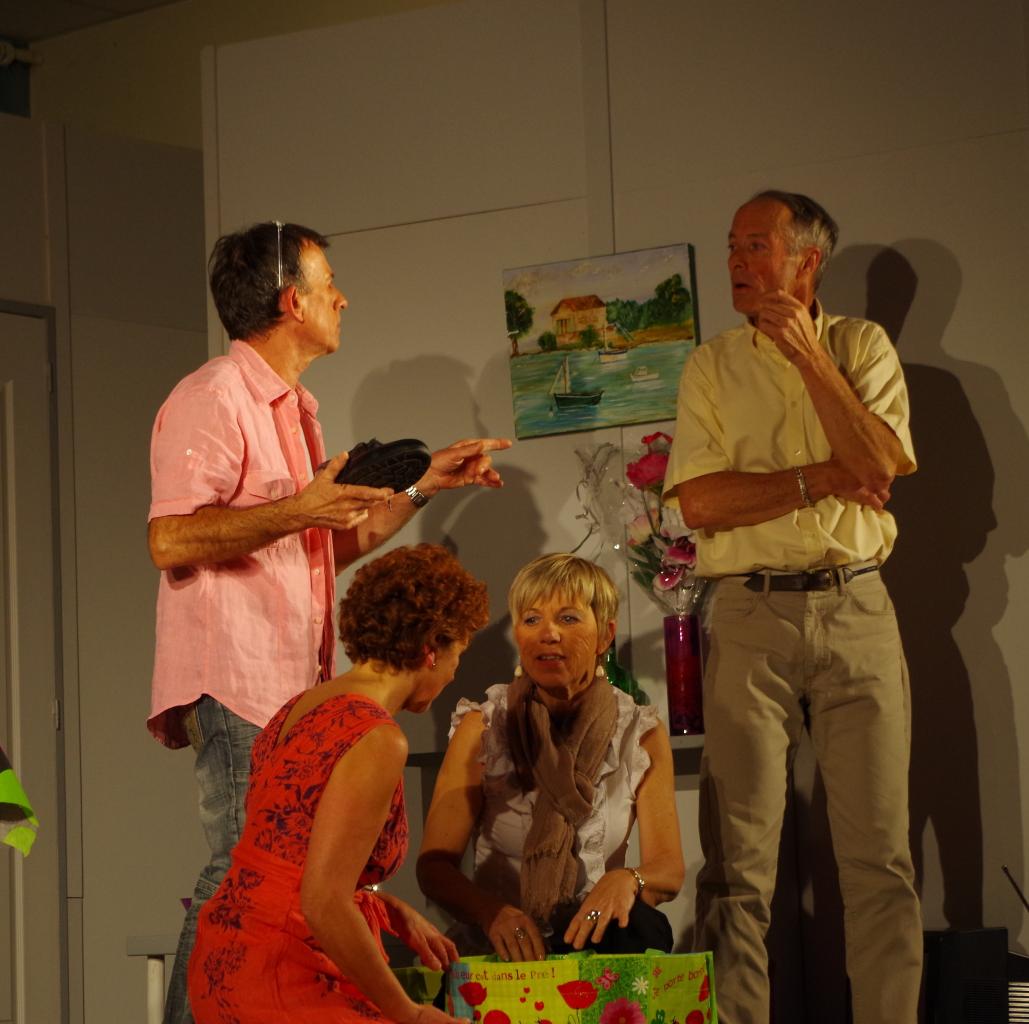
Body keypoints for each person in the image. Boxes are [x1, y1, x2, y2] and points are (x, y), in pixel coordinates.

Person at [148, 220, 510, 1024]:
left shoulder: (294, 409)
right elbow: (169, 539)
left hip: (290, 688)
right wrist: (299, 508)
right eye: (329, 284)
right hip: (237, 678)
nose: (342, 299)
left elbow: (321, 545)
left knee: (274, 876)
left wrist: (422, 485)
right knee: (238, 873)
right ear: (291, 301)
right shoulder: (213, 397)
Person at [662, 190, 921, 1023]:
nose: (735, 263)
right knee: (737, 866)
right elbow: (699, 503)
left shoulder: (861, 346)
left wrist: (812, 359)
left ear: (806, 261)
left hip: (856, 606)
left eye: (755, 247)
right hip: (749, 612)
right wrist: (823, 477)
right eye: (730, 247)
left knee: (879, 861)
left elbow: (880, 465)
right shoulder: (711, 365)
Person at [187, 543, 488, 1024]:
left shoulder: (301, 707)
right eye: (459, 654)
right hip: (286, 969)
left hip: (227, 957)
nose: (455, 673)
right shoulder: (376, 737)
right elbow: (322, 901)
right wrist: (408, 1014)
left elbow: (290, 857)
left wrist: (386, 908)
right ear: (432, 646)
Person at [416, 553, 684, 962]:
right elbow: (434, 868)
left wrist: (628, 879)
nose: (548, 634)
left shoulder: (639, 731)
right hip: (505, 945)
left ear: (606, 635)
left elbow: (668, 869)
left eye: (569, 618)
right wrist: (491, 913)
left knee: (642, 927)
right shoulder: (485, 725)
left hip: (595, 940)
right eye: (531, 619)